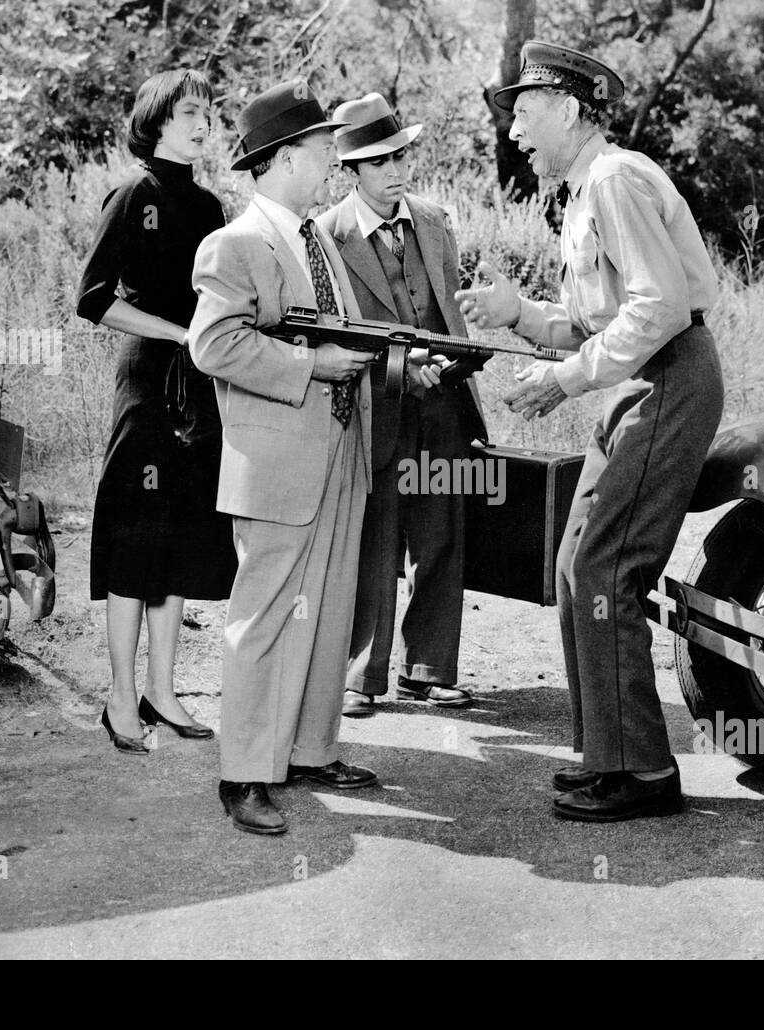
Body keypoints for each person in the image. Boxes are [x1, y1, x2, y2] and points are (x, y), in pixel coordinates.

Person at [457, 41, 725, 822]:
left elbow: (660, 308)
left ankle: (641, 772)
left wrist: (566, 378)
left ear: (571, 110)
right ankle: (606, 754)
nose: (514, 133)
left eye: (526, 114)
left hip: (667, 381)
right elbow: (591, 321)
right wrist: (522, 316)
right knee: (577, 566)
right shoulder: (583, 194)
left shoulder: (614, 180)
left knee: (608, 568)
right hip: (636, 382)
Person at [188, 80, 381, 835]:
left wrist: (407, 363)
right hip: (277, 461)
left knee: (330, 607)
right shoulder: (234, 244)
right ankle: (244, 773)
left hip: (339, 450)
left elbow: (350, 341)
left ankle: (307, 748)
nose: (333, 158)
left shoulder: (318, 236)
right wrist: (311, 366)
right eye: (321, 147)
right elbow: (213, 344)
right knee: (264, 617)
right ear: (283, 159)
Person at [76, 69, 236, 755]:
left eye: (208, 113)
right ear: (156, 122)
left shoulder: (209, 205)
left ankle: (163, 692)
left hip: (199, 391)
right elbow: (92, 297)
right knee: (135, 544)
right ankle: (118, 698)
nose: (202, 124)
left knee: (179, 544)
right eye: (187, 113)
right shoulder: (132, 193)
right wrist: (176, 333)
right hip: (147, 386)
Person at [317, 93, 489, 719]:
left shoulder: (436, 220)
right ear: (351, 170)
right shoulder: (328, 236)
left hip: (443, 406)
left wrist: (458, 361)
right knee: (374, 537)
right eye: (379, 160)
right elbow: (331, 335)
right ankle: (363, 676)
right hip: (377, 409)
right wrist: (399, 370)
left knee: (441, 533)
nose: (395, 169)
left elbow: (448, 311)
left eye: (400, 155)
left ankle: (430, 668)